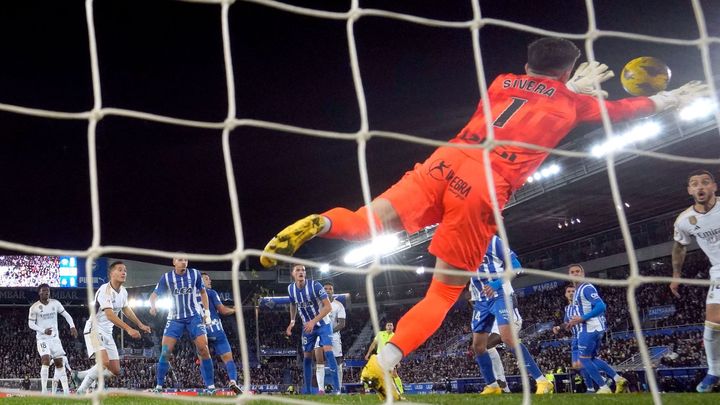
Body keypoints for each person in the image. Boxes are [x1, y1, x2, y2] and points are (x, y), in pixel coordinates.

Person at [260, 37, 708, 399]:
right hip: (484, 187)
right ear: (568, 72)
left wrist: (570, 87)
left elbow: (537, 94)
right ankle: (386, 362)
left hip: (446, 160)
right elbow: (623, 111)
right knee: (442, 294)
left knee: (365, 221)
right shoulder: (572, 105)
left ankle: (322, 222)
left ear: (528, 63)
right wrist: (668, 99)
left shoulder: (502, 81)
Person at [469, 235, 552, 394]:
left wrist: (496, 283)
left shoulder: (493, 241)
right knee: (478, 346)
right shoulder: (462, 248)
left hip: (500, 293)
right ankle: (492, 386)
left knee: (507, 338)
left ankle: (542, 381)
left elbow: (516, 265)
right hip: (481, 300)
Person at [670, 169, 720, 392]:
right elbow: (680, 245)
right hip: (718, 270)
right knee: (712, 322)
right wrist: (676, 276)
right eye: (695, 183)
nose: (700, 187)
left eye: (705, 182)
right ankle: (714, 372)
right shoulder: (684, 220)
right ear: (690, 190)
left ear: (714, 187)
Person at [74, 261, 151, 394]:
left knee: (115, 370)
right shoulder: (105, 289)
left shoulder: (124, 292)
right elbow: (109, 315)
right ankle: (80, 391)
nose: (124, 273)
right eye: (120, 270)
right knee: (104, 362)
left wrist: (139, 324)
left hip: (107, 333)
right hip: (94, 329)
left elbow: (126, 309)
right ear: (111, 274)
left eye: (125, 270)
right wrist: (128, 329)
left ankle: (80, 376)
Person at [149, 258, 215, 393]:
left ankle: (211, 387)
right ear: (174, 262)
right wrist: (153, 306)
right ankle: (159, 387)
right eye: (180, 260)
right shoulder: (166, 278)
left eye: (186, 259)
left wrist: (207, 312)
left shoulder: (195, 274)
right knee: (165, 352)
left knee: (203, 349)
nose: (184, 262)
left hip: (194, 317)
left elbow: (203, 292)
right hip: (175, 319)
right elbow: (154, 295)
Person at [566, 264, 628, 394]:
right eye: (572, 272)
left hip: (589, 328)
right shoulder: (578, 290)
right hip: (596, 328)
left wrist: (582, 318)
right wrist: (574, 322)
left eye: (578, 271)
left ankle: (603, 387)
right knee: (591, 358)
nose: (575, 273)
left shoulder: (586, 288)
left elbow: (601, 306)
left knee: (583, 359)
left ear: (583, 273)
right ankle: (618, 379)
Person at [285, 264, 340, 394]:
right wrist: (292, 321)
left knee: (328, 350)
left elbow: (328, 307)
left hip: (323, 324)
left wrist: (313, 321)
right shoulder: (290, 289)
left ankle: (337, 389)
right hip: (307, 327)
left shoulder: (315, 286)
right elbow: (293, 304)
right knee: (307, 356)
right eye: (297, 270)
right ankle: (308, 392)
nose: (301, 272)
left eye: (303, 270)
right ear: (293, 274)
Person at [28, 283, 78, 394]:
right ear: (39, 292)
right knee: (45, 360)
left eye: (48, 291)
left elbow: (66, 315)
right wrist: (43, 330)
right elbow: (30, 324)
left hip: (55, 339)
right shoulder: (34, 307)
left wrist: (72, 326)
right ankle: (44, 391)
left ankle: (66, 393)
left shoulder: (55, 303)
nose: (47, 292)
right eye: (44, 290)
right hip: (42, 339)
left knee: (59, 363)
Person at [199, 272, 243, 394]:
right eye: (206, 279)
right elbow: (222, 310)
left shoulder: (192, 296)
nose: (210, 281)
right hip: (216, 330)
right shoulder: (211, 293)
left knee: (203, 359)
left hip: (200, 332)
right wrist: (235, 309)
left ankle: (210, 387)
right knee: (228, 359)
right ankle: (233, 381)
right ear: (200, 282)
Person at [553, 284, 595, 393]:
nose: (571, 293)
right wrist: (559, 327)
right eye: (569, 291)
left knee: (583, 363)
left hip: (583, 337)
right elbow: (567, 324)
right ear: (565, 294)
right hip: (574, 338)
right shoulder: (567, 308)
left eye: (573, 291)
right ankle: (602, 379)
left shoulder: (581, 305)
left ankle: (591, 388)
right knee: (576, 366)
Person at [313, 281, 346, 394]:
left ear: (333, 291)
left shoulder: (338, 305)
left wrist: (329, 332)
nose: (327, 290)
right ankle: (321, 390)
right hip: (319, 335)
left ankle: (339, 388)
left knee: (338, 362)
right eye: (325, 288)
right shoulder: (317, 304)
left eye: (330, 289)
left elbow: (342, 323)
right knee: (319, 361)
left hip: (334, 336)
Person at [364, 322, 403, 395]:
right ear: (385, 327)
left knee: (394, 374)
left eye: (391, 325)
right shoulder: (380, 334)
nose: (389, 326)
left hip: (390, 357)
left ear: (393, 327)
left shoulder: (395, 336)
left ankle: (401, 391)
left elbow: (397, 349)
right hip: (380, 356)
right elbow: (373, 344)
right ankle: (367, 389)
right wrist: (368, 353)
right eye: (388, 325)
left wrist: (398, 361)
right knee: (373, 372)